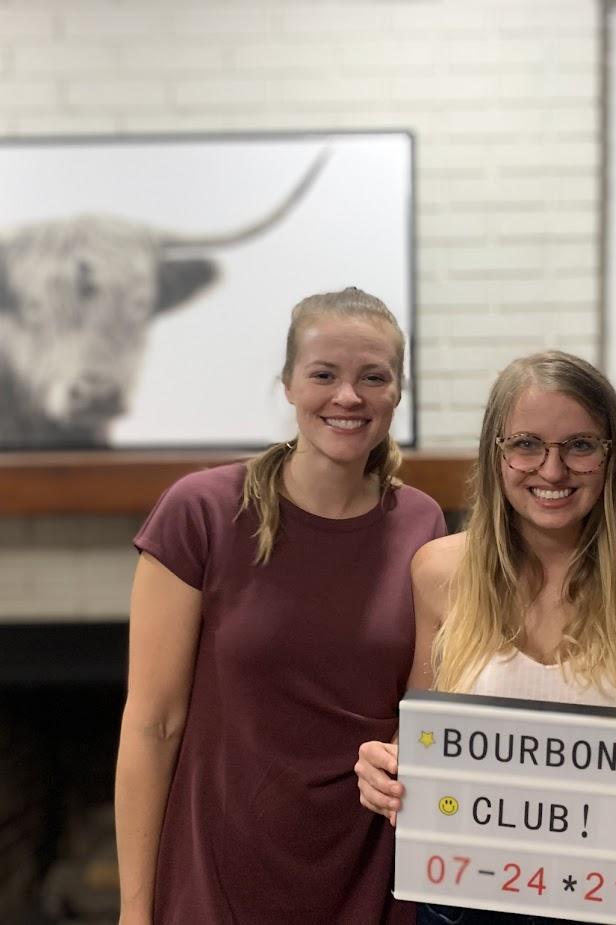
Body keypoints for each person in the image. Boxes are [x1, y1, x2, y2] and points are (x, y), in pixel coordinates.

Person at [114, 287, 447, 925]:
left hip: (371, 867)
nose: (348, 397)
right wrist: (135, 909)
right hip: (221, 870)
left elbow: (422, 715)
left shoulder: (422, 524)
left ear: (397, 392)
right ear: (290, 384)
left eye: (372, 377)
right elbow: (153, 725)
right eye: (324, 374)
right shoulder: (201, 511)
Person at [355, 351, 616, 925]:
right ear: (495, 453)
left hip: (615, 904)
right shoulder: (439, 572)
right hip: (466, 903)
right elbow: (423, 736)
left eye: (579, 446)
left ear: (611, 455)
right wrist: (387, 769)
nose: (552, 471)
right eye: (527, 444)